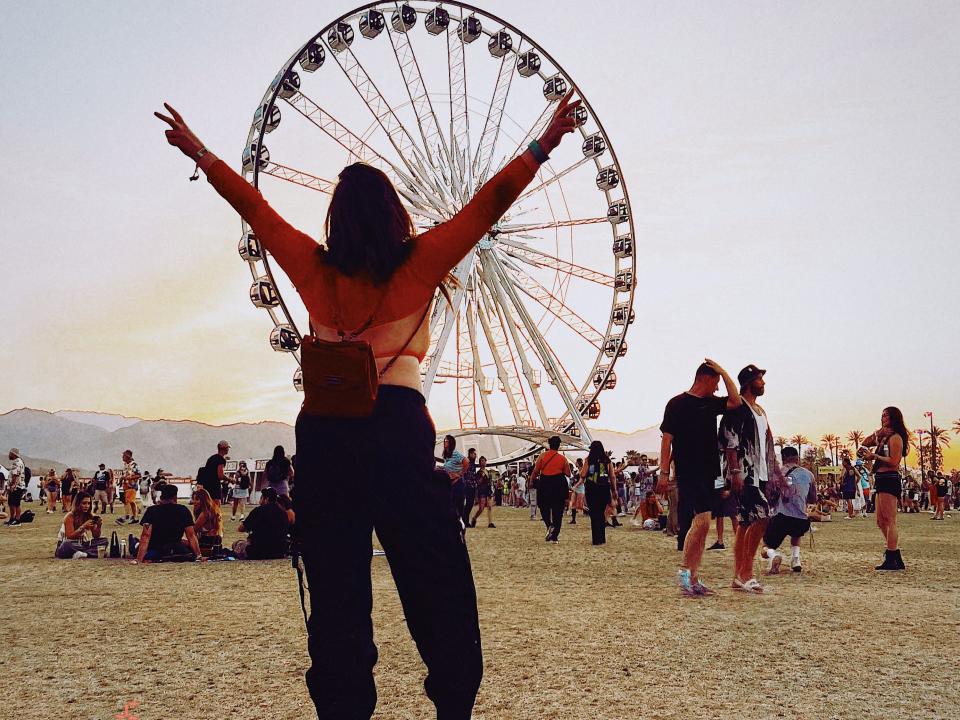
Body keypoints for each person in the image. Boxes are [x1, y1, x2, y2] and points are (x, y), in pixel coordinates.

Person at [156, 88, 580, 718]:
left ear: (336, 220)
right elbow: (487, 206)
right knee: (432, 571)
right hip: (396, 430)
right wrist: (546, 141)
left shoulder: (314, 269)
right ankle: (453, 698)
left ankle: (344, 704)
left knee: (336, 586)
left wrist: (199, 151)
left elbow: (254, 207)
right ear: (394, 214)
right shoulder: (420, 264)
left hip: (325, 434)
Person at [657, 360, 741, 596]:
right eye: (716, 382)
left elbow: (735, 400)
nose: (718, 388)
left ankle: (693, 576)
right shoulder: (677, 404)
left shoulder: (711, 404)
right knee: (702, 521)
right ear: (705, 378)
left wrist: (724, 372)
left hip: (711, 472)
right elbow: (667, 440)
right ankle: (685, 573)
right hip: (689, 471)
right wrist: (664, 472)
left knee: (705, 525)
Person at [720, 364, 785, 595]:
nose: (764, 383)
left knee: (746, 522)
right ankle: (746, 572)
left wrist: (777, 473)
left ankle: (738, 576)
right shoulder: (737, 407)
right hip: (745, 473)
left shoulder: (760, 411)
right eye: (759, 379)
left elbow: (769, 443)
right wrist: (735, 472)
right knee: (763, 516)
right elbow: (729, 440)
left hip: (762, 474)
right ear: (749, 382)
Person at [859, 407, 909, 570]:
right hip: (880, 479)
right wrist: (877, 434)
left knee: (890, 519)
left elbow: (894, 461)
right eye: (882, 415)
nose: (883, 417)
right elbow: (865, 443)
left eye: (886, 415)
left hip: (889, 478)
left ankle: (891, 555)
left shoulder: (896, 438)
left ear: (894, 417)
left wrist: (874, 456)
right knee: (880, 521)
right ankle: (894, 554)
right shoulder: (882, 438)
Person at [760, 447, 818, 573]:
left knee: (765, 547)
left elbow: (769, 496)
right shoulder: (809, 475)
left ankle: (773, 555)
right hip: (801, 520)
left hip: (781, 517)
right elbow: (813, 498)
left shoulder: (777, 474)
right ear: (797, 458)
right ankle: (795, 559)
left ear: (783, 457)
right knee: (796, 533)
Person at [131, 484, 200, 563]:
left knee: (134, 544)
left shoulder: (152, 511)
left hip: (155, 550)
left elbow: (146, 535)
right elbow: (191, 535)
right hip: (175, 548)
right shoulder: (183, 510)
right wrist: (198, 555)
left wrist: (139, 559)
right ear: (175, 497)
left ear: (161, 497)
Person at [529, 436, 572, 543]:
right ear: (558, 445)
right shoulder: (562, 459)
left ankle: (549, 525)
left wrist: (531, 481)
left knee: (544, 507)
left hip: (545, 483)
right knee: (558, 510)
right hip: (558, 483)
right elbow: (568, 473)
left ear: (549, 444)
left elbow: (535, 471)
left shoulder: (542, 456)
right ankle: (555, 536)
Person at [233, 488, 290, 560]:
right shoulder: (283, 513)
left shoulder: (258, 510)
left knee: (236, 544)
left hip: (258, 551)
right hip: (279, 552)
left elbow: (241, 528)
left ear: (266, 499)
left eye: (261, 497)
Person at [580, 441, 617, 546]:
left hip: (592, 488)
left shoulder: (589, 459)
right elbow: (612, 476)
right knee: (601, 513)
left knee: (594, 514)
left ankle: (595, 539)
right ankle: (602, 538)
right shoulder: (607, 460)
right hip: (604, 488)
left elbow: (583, 474)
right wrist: (614, 491)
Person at [55, 492, 107, 559]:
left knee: (104, 540)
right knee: (67, 543)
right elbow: (69, 537)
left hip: (82, 544)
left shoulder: (90, 516)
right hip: (67, 545)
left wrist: (99, 526)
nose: (87, 506)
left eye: (88, 503)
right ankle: (91, 553)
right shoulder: (70, 516)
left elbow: (96, 536)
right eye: (84, 503)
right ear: (78, 504)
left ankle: (84, 554)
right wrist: (83, 527)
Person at [440, 435, 468, 521]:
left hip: (458, 483)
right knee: (451, 505)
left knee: (456, 505)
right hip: (451, 483)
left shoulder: (454, 453)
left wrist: (460, 474)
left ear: (451, 443)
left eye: (447, 441)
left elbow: (466, 461)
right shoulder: (447, 455)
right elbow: (449, 466)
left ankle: (458, 523)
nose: (445, 443)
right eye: (444, 441)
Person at [191, 487, 223, 556]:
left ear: (203, 500)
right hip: (215, 542)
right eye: (193, 499)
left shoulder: (205, 513)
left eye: (197, 499)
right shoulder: (212, 510)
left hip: (207, 543)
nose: (194, 502)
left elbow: (192, 531)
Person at [199, 440, 229, 506]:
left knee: (207, 507)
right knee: (216, 507)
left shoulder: (211, 458)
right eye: (227, 448)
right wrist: (230, 479)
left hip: (207, 486)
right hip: (214, 486)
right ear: (225, 448)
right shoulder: (221, 459)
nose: (228, 450)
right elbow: (220, 475)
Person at [468, 456, 495, 529]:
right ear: (480, 463)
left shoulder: (488, 472)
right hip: (482, 491)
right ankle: (474, 518)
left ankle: (490, 522)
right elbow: (478, 482)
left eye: (484, 461)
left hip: (488, 491)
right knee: (481, 508)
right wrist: (482, 477)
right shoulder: (479, 472)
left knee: (489, 507)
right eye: (481, 461)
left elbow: (490, 482)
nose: (483, 462)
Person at [116, 449, 141, 525]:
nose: (122, 457)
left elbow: (139, 475)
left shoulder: (134, 465)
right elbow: (124, 475)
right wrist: (121, 481)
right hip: (126, 485)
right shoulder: (125, 465)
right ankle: (135, 517)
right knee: (131, 501)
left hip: (132, 485)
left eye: (123, 456)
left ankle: (126, 516)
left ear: (128, 456)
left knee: (128, 501)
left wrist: (128, 478)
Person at [5, 448, 26, 526]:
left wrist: (12, 485)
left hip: (16, 486)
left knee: (15, 503)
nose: (8, 455)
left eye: (10, 453)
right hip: (18, 486)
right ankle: (12, 519)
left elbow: (15, 475)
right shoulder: (19, 461)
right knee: (12, 503)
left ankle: (17, 520)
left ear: (13, 454)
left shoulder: (16, 462)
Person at [461, 448, 479, 530]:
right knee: (468, 504)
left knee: (470, 504)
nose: (475, 455)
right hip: (467, 486)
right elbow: (463, 473)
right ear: (470, 454)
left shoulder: (473, 464)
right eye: (474, 454)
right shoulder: (466, 462)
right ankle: (465, 521)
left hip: (472, 487)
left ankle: (465, 521)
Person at [569, 458, 586, 524]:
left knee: (579, 506)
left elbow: (582, 481)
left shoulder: (582, 470)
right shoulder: (577, 471)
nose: (575, 463)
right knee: (573, 504)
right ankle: (573, 520)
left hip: (580, 488)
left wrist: (575, 485)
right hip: (575, 488)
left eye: (576, 462)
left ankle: (590, 511)